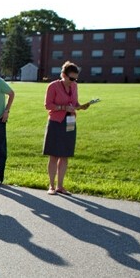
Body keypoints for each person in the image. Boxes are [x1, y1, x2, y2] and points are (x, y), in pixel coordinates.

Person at [43, 61, 90, 195]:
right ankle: (51, 186)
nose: (73, 81)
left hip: (70, 122)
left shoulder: (74, 86)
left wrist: (81, 106)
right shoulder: (53, 86)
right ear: (63, 75)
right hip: (56, 122)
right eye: (71, 78)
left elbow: (74, 103)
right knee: (53, 155)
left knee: (65, 156)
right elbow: (48, 105)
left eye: (76, 78)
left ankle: (60, 186)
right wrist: (63, 108)